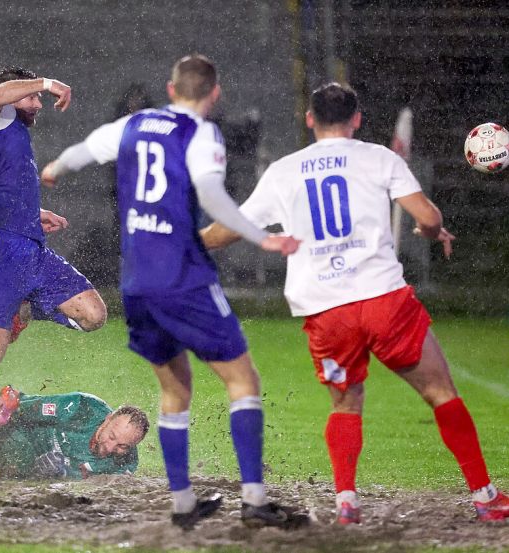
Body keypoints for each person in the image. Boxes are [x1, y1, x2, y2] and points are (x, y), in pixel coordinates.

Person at [200, 82, 509, 524]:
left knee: (345, 406)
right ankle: (485, 497)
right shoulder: (379, 158)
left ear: (310, 120)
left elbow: (230, 228)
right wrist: (429, 230)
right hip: (384, 300)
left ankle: (346, 501)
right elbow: (428, 216)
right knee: (441, 393)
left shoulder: (284, 171)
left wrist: (186, 245)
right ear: (357, 119)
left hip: (327, 310)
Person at [40, 54, 304, 530]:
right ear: (214, 94)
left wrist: (55, 168)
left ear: (170, 87)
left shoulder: (137, 122)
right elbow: (214, 197)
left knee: (175, 388)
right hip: (182, 275)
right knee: (243, 381)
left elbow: (83, 151)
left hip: (137, 282)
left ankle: (183, 502)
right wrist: (262, 236)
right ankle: (255, 500)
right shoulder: (201, 133)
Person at [0, 67, 108, 430]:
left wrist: (34, 214)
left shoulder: (13, 133)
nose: (38, 103)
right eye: (32, 98)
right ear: (13, 97)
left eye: (38, 96)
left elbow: (2, 185)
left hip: (31, 247)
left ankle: (28, 304)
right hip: (1, 247)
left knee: (94, 315)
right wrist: (48, 83)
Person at [0, 392, 148, 479]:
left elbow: (100, 486)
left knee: (18, 466)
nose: (110, 447)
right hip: (16, 427)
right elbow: (20, 410)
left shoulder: (126, 462)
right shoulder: (80, 408)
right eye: (112, 436)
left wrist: (63, 473)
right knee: (20, 453)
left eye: (122, 446)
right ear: (107, 420)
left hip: (25, 462)